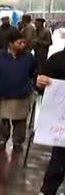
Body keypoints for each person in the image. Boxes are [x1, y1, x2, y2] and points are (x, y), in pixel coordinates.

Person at [0, 31, 38, 152]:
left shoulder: (29, 57)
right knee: (2, 121)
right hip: (3, 93)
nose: (23, 45)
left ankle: (18, 142)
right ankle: (1, 140)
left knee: (20, 120)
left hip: (21, 93)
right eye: (20, 42)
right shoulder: (0, 56)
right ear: (10, 43)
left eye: (24, 42)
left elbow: (33, 72)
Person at [37, 48, 65, 195]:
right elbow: (43, 86)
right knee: (58, 163)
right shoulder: (57, 59)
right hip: (62, 125)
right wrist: (40, 83)